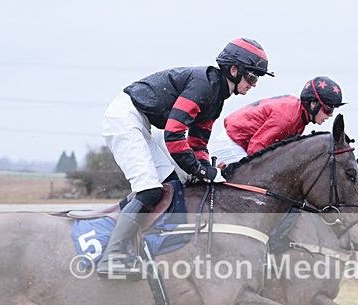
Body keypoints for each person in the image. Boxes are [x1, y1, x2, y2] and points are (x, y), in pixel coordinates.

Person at [98, 38, 273, 278]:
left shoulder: (217, 96)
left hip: (143, 124)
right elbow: (173, 133)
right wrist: (200, 171)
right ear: (234, 70)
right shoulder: (204, 86)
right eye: (252, 77)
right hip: (125, 118)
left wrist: (205, 167)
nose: (254, 84)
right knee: (149, 191)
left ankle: (143, 245)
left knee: (170, 187)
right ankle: (112, 257)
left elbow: (197, 142)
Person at [208, 76, 345, 165]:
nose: (330, 115)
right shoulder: (288, 117)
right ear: (313, 104)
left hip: (241, 143)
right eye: (328, 109)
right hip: (232, 144)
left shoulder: (299, 118)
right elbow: (256, 146)